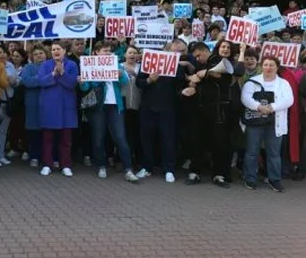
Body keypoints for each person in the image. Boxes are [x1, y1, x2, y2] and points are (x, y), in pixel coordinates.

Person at [184, 40, 245, 187]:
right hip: (199, 110)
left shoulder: (220, 62)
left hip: (218, 111)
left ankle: (218, 174)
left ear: (205, 51)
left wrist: (205, 73)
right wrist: (191, 78)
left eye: (199, 55)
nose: (197, 58)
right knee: (197, 142)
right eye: (223, 46)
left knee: (219, 143)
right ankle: (195, 172)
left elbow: (221, 75)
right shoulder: (198, 63)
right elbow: (192, 77)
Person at [79, 41, 139, 183]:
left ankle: (129, 169)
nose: (107, 53)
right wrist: (82, 82)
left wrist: (120, 75)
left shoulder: (116, 64)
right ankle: (101, 165)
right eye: (104, 50)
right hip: (98, 107)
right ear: (96, 52)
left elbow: (124, 82)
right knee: (98, 138)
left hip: (115, 106)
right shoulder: (89, 64)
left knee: (120, 138)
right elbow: (85, 87)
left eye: (109, 51)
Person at [241, 56, 293, 192]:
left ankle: (274, 179)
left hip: (275, 123)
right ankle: (250, 178)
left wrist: (272, 107)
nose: (268, 68)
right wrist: (259, 107)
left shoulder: (283, 83)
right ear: (261, 66)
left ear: (277, 67)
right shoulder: (252, 82)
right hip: (255, 122)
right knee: (252, 151)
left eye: (271, 65)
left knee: (274, 153)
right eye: (266, 65)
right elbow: (245, 97)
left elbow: (289, 99)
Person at [135, 44, 186, 183]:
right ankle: (147, 167)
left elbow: (180, 87)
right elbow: (139, 82)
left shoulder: (179, 68)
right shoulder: (149, 62)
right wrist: (149, 80)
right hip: (148, 107)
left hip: (168, 109)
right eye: (175, 52)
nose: (177, 55)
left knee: (168, 139)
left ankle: (168, 169)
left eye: (180, 53)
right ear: (166, 51)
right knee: (146, 139)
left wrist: (183, 91)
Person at [37, 42, 79, 177]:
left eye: (58, 49)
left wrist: (62, 74)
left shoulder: (72, 65)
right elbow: (41, 81)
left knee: (66, 140)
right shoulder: (45, 64)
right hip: (49, 106)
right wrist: (54, 74)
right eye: (53, 49)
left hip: (66, 107)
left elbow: (72, 84)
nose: (55, 51)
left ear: (64, 51)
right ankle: (47, 164)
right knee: (47, 139)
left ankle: (65, 165)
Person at [20, 45, 47, 167]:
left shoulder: (50, 66)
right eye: (35, 54)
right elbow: (26, 81)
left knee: (47, 132)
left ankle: (46, 157)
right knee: (34, 132)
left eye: (41, 53)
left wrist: (37, 80)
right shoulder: (28, 67)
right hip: (33, 103)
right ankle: (34, 156)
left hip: (48, 103)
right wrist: (43, 80)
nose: (39, 56)